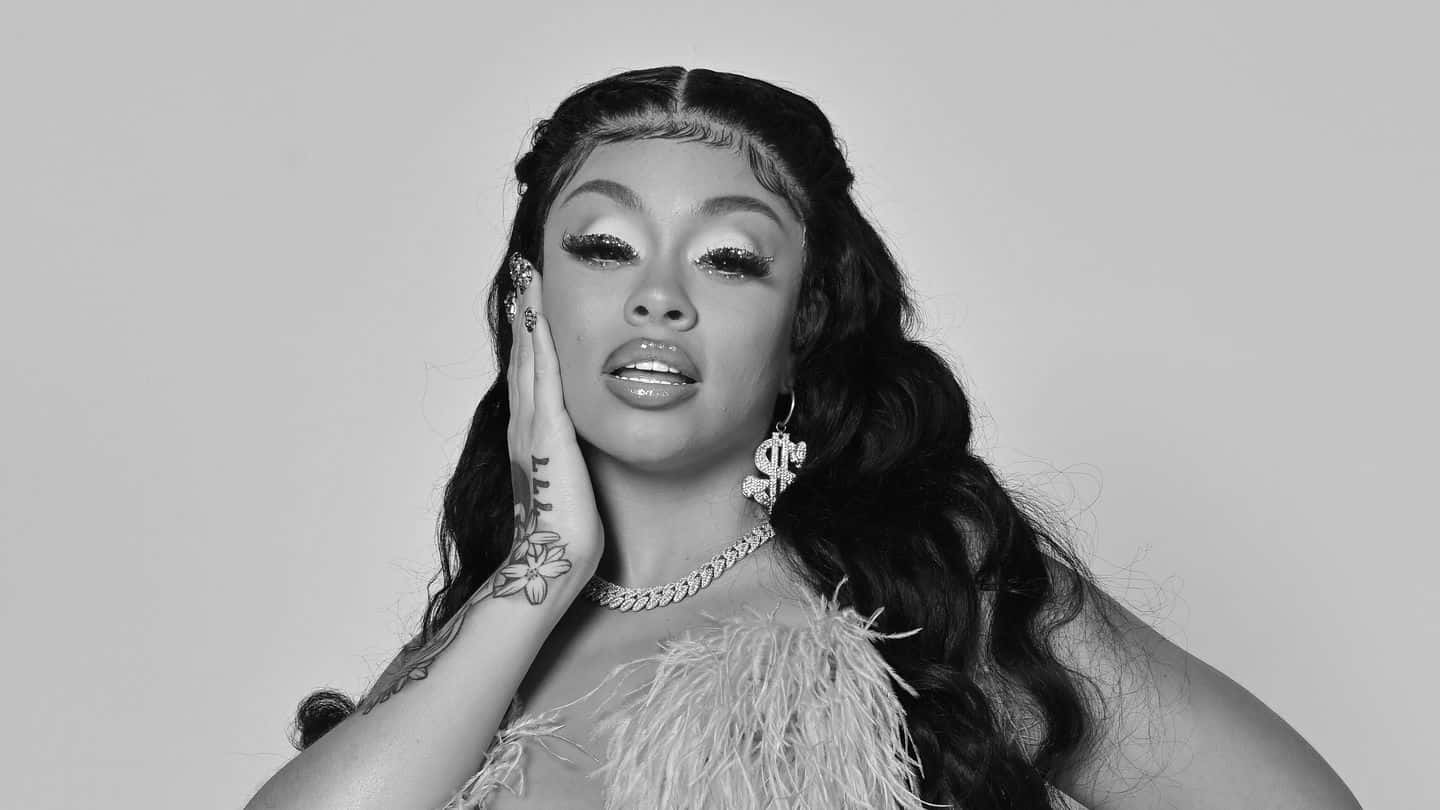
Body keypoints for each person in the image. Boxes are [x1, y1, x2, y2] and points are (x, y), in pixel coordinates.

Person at [244, 66, 1362, 810]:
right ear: (531, 298)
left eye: (730, 260)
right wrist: (545, 563)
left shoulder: (923, 595)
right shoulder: (491, 629)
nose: (658, 297)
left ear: (803, 328)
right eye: (604, 246)